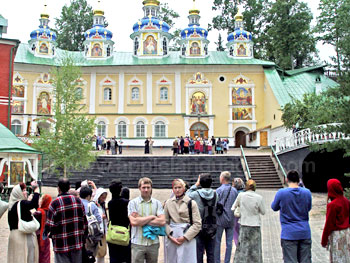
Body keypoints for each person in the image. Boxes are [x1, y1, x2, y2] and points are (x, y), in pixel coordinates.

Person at [271, 170, 312, 263]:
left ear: (286, 179)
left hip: (288, 233)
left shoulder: (281, 193)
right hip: (304, 232)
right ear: (299, 180)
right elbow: (308, 208)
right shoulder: (307, 192)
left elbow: (274, 207)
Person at [45, 178, 87, 263]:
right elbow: (85, 222)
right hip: (76, 242)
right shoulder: (78, 201)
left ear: (58, 188)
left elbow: (49, 225)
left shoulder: (54, 203)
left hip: (61, 243)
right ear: (69, 187)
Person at [128, 177, 166, 263]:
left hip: (153, 243)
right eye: (143, 187)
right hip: (137, 242)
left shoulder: (157, 203)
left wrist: (140, 219)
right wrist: (152, 217)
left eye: (148, 187)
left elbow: (162, 221)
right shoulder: (133, 203)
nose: (146, 190)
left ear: (151, 188)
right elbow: (134, 222)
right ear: (139, 188)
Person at [164, 179, 202, 263]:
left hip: (187, 234)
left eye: (179, 187)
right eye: (175, 188)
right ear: (172, 189)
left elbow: (197, 223)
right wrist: (170, 236)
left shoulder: (191, 203)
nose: (177, 190)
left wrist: (185, 237)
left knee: (187, 259)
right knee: (172, 259)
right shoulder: (168, 203)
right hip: (172, 235)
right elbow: (165, 222)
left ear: (184, 188)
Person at [232, 179, 265, 263]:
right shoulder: (259, 197)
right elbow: (263, 212)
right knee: (255, 248)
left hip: (244, 224)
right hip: (255, 225)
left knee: (243, 247)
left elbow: (233, 207)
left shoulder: (241, 195)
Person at [187, 173, 218, 263]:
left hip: (199, 226)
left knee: (198, 253)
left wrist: (196, 185)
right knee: (211, 253)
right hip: (212, 226)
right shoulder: (216, 195)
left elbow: (187, 194)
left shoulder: (195, 194)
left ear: (200, 183)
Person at [7, 181, 40, 263]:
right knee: (25, 258)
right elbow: (34, 204)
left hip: (14, 235)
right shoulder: (21, 203)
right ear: (19, 193)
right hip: (22, 236)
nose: (26, 192)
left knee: (16, 259)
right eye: (23, 190)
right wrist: (36, 191)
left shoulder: (12, 205)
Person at [321, 179, 350, 262]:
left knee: (338, 258)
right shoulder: (346, 201)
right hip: (347, 234)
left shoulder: (332, 205)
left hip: (337, 236)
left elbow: (329, 224)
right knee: (347, 258)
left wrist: (324, 240)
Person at [214, 172, 238, 263]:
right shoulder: (234, 190)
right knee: (229, 242)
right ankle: (227, 260)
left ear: (223, 178)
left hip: (220, 219)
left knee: (217, 241)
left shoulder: (219, 190)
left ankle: (217, 260)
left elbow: (216, 203)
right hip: (231, 219)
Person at [108, 180, 131, 263]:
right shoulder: (127, 203)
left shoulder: (110, 203)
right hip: (124, 233)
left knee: (114, 258)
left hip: (113, 233)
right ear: (120, 190)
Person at [79, 186, 102, 257]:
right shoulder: (92, 205)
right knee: (90, 256)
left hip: (78, 235)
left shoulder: (76, 203)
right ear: (88, 196)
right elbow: (99, 220)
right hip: (90, 236)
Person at [34, 194, 52, 263]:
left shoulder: (38, 213)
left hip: (37, 237)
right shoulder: (50, 213)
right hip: (45, 237)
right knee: (45, 257)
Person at [93, 188, 109, 263]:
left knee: (102, 252)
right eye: (102, 197)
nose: (104, 199)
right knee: (97, 251)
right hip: (96, 232)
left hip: (103, 231)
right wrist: (100, 217)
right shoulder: (93, 205)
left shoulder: (102, 205)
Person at [232, 178, 245, 246]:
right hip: (244, 214)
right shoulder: (245, 193)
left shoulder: (234, 193)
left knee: (235, 230)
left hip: (236, 214)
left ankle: (237, 244)